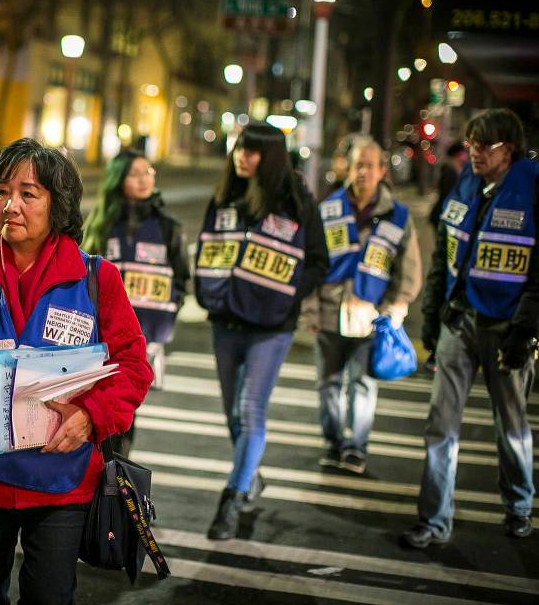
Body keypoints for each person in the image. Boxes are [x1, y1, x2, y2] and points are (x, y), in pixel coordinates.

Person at [0, 138, 153, 604]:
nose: (10, 205)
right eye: (2, 190)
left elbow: (134, 366)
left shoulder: (97, 279)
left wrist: (91, 418)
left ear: (58, 205)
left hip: (61, 482)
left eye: (29, 193)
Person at [403, 109, 538, 548]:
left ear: (510, 149)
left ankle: (519, 505)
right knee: (441, 423)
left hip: (506, 327)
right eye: (473, 144)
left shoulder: (532, 188)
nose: (475, 152)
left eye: (486, 146)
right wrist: (430, 315)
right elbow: (444, 254)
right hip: (459, 321)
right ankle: (433, 519)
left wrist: (524, 332)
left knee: (511, 423)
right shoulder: (464, 184)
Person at [194, 122, 328, 540]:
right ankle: (249, 473)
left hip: (271, 328)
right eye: (238, 149)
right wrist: (209, 293)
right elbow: (205, 248)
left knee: (251, 411)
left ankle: (232, 498)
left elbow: (318, 261)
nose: (241, 157)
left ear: (269, 157)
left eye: (251, 151)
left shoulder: (296, 201)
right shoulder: (224, 198)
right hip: (226, 321)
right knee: (233, 413)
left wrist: (288, 298)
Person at [301, 136, 422, 475]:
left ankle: (357, 448)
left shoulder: (397, 216)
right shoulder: (327, 210)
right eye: (358, 165)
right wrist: (309, 310)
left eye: (370, 165)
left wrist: (395, 308)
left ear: (383, 170)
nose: (364, 172)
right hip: (327, 313)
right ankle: (334, 442)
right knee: (328, 385)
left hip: (371, 318)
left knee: (362, 385)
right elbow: (312, 264)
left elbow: (409, 270)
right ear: (347, 168)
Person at [81, 149, 189, 453]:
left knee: (126, 407)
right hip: (99, 337)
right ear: (118, 179)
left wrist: (164, 319)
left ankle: (116, 474)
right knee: (99, 404)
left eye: (148, 172)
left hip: (143, 338)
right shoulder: (101, 223)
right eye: (134, 173)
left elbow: (180, 279)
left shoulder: (168, 227)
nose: (143, 180)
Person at [428, 139, 468, 228]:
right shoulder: (450, 171)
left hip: (445, 213)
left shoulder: (456, 169)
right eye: (464, 153)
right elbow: (449, 194)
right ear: (458, 155)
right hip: (442, 213)